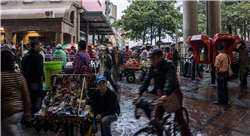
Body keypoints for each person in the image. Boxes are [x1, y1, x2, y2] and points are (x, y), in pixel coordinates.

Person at [133, 49, 191, 136]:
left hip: (173, 93)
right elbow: (146, 80)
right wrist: (139, 94)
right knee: (156, 119)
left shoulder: (169, 65)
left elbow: (170, 80)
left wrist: (166, 94)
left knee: (180, 119)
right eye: (152, 59)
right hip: (162, 93)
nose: (152, 61)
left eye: (154, 58)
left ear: (160, 57)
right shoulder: (153, 66)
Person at [0, 50, 31, 136]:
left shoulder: (1, 76)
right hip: (17, 111)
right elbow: (26, 95)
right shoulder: (19, 75)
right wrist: (27, 111)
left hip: (6, 112)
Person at [21, 40, 43, 117]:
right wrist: (41, 81)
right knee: (36, 100)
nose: (41, 47)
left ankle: (27, 117)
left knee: (27, 100)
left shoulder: (26, 55)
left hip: (26, 81)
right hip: (35, 81)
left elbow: (22, 69)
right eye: (40, 45)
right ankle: (35, 118)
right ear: (35, 46)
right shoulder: (38, 56)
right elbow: (39, 70)